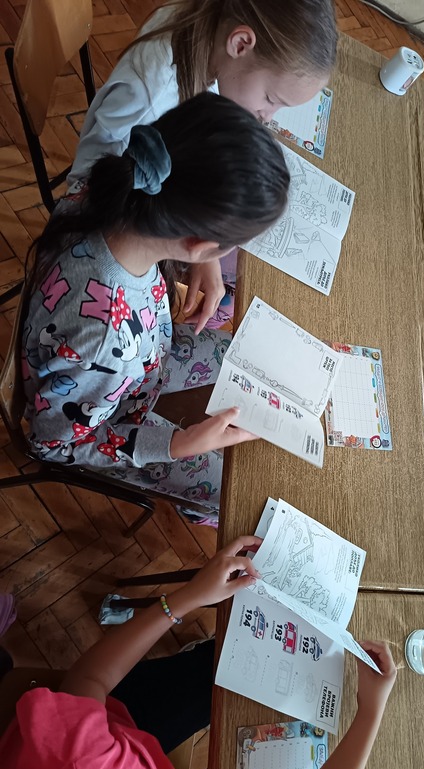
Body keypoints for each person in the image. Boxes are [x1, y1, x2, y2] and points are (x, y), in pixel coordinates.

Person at [22, 92, 289, 526]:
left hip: (138, 357)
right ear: (198, 243)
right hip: (115, 404)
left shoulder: (114, 183)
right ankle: (194, 503)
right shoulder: (103, 343)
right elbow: (53, 444)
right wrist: (178, 445)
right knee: (238, 495)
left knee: (260, 362)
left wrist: (203, 259)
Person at [0, 537, 397, 769]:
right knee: (234, 684)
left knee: (215, 670)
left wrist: (186, 598)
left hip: (100, 728)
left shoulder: (83, 766)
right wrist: (370, 712)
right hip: (117, 756)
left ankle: (202, 656)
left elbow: (87, 679)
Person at [68, 0, 339, 332]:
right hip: (117, 223)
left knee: (237, 270)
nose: (268, 118)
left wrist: (206, 248)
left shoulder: (204, 29)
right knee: (238, 286)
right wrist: (201, 241)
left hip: (161, 215)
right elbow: (89, 182)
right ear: (240, 44)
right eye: (271, 100)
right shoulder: (152, 93)